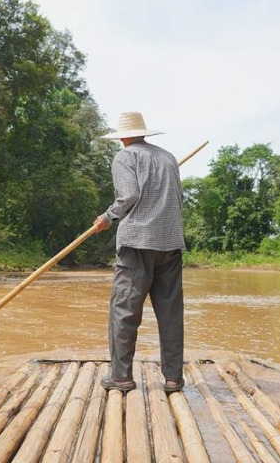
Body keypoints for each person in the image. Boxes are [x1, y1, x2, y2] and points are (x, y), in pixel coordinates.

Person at [93, 111, 186, 394]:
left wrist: (107, 218)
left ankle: (121, 377)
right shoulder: (168, 157)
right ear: (144, 132)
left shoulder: (125, 157)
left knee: (124, 311)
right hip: (170, 242)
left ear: (122, 136)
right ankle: (173, 379)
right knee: (170, 313)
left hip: (137, 243)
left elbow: (129, 195)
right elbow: (179, 197)